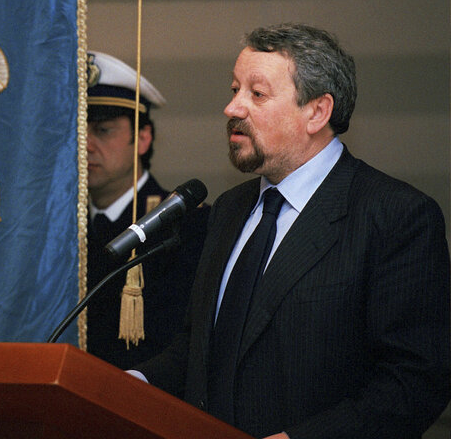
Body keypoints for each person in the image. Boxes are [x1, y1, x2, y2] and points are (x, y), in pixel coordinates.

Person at [131, 23, 450, 439]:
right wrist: (128, 384)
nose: (233, 108)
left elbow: (414, 382)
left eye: (256, 94)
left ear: (317, 112)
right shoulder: (230, 209)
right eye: (234, 90)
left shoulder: (394, 216)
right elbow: (200, 348)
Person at [85, 51, 209, 370]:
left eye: (102, 130)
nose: (85, 144)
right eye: (78, 129)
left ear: (142, 138)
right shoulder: (55, 228)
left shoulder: (187, 223)